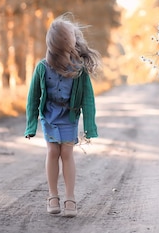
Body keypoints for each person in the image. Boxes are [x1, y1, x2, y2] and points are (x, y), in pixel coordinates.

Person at [24, 13, 100, 217]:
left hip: (69, 115)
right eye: (72, 37)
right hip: (49, 115)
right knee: (52, 152)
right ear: (62, 44)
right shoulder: (42, 67)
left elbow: (88, 99)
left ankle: (70, 198)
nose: (76, 39)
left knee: (66, 154)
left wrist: (90, 128)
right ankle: (52, 195)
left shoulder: (78, 69)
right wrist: (31, 126)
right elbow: (33, 98)